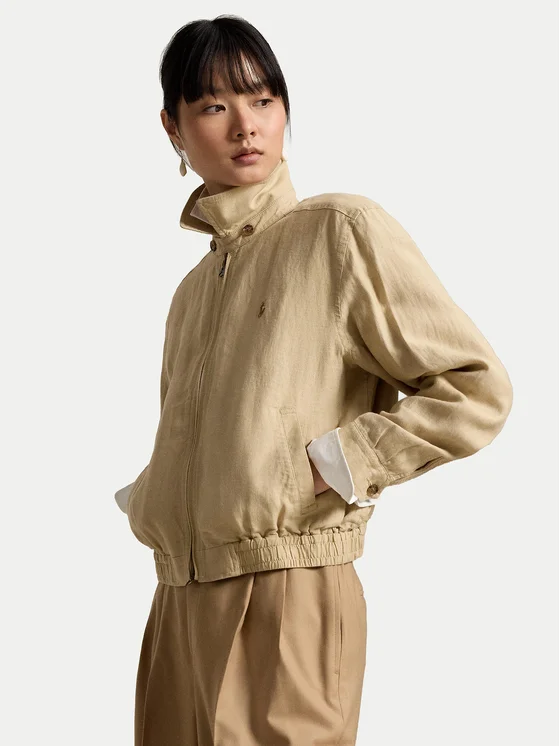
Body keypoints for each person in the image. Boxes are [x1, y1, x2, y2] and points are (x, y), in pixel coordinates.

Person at [114, 14, 514, 746]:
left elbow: (474, 387)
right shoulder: (190, 295)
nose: (246, 126)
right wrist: (156, 495)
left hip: (288, 593)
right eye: (214, 105)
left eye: (263, 99)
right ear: (173, 127)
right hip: (176, 602)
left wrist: (342, 461)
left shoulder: (339, 231)